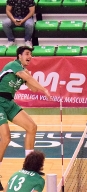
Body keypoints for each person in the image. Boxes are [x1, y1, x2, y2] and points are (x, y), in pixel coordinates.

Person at [0, 46, 51, 191]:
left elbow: (32, 88)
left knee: (32, 127)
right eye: (27, 53)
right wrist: (44, 89)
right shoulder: (13, 65)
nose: (30, 56)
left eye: (31, 54)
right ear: (19, 56)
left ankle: (29, 167)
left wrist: (32, 82)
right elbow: (29, 80)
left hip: (9, 103)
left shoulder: (24, 71)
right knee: (6, 138)